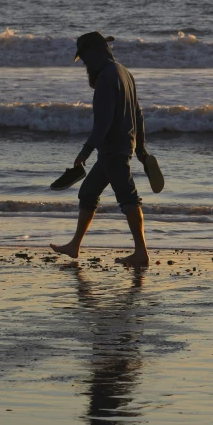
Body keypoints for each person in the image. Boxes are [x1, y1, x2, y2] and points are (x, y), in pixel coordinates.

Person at [51, 31, 150, 266]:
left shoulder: (106, 77)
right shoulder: (125, 73)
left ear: (95, 52)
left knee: (128, 198)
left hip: (114, 149)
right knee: (87, 193)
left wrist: (86, 150)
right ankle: (75, 246)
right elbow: (138, 114)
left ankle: (141, 252)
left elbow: (103, 121)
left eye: (85, 59)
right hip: (118, 147)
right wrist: (142, 148)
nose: (85, 65)